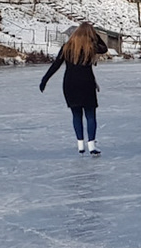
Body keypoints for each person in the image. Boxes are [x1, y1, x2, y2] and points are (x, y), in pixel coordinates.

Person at [40, 22, 107, 155]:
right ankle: (92, 146)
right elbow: (104, 48)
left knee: (76, 114)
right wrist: (95, 35)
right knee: (90, 114)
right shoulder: (91, 47)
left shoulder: (67, 47)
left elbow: (56, 65)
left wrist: (45, 80)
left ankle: (80, 145)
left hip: (70, 84)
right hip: (86, 83)